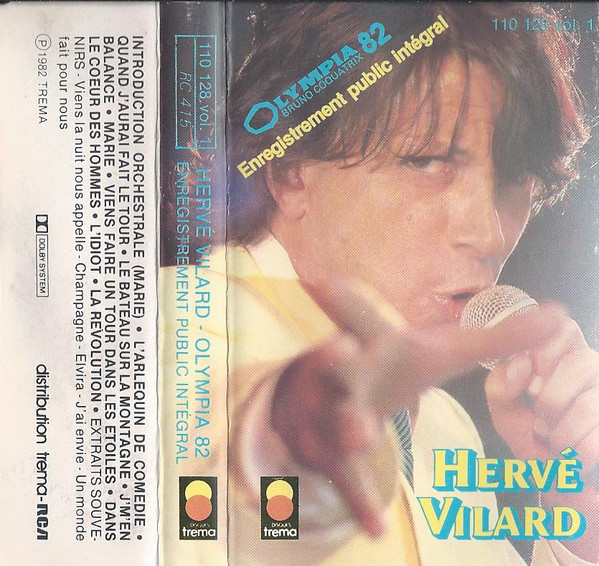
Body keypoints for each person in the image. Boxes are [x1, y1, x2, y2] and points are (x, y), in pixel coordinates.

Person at [166, 2, 599, 564]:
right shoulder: (165, 328)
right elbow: (216, 466)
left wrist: (580, 519)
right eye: (428, 160)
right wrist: (287, 438)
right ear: (290, 170)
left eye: (516, 179)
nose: (488, 232)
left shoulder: (445, 428)